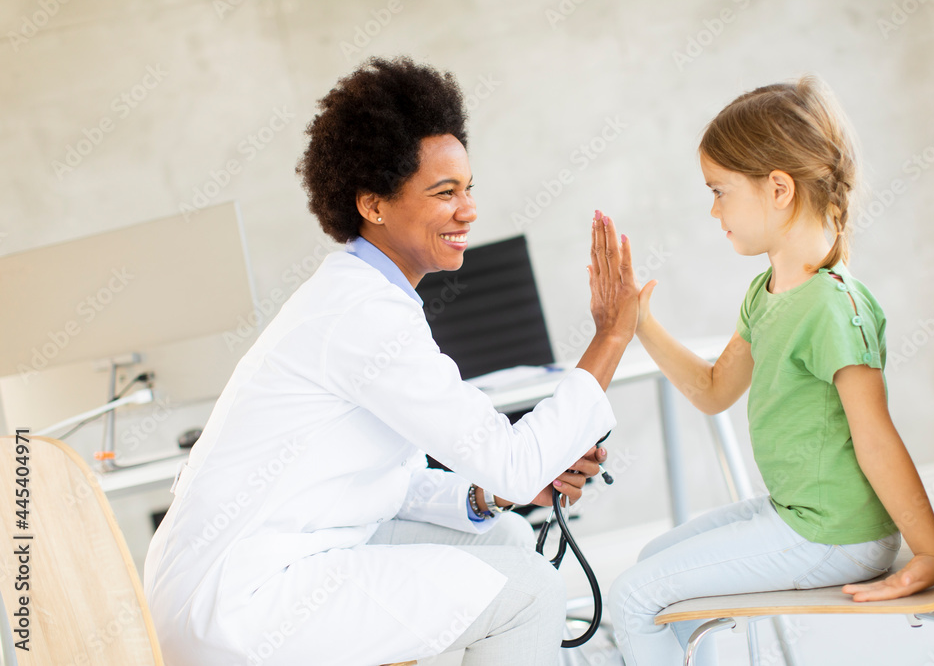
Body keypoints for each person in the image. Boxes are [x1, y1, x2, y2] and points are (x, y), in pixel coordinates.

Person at [142, 56, 639, 666]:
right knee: (529, 592)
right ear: (373, 205)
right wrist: (612, 336)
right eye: (444, 192)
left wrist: (487, 499)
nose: (469, 210)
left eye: (469, 188)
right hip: (240, 604)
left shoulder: (360, 296)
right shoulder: (364, 315)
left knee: (505, 536)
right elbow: (513, 463)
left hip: (266, 565)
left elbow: (388, 482)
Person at [608, 76, 934, 665]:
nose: (712, 209)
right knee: (648, 567)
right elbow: (715, 391)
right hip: (798, 513)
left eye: (719, 191)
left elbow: (876, 437)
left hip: (837, 535)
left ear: (778, 189)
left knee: (632, 595)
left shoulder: (829, 305)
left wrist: (929, 552)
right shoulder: (766, 291)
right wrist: (639, 321)